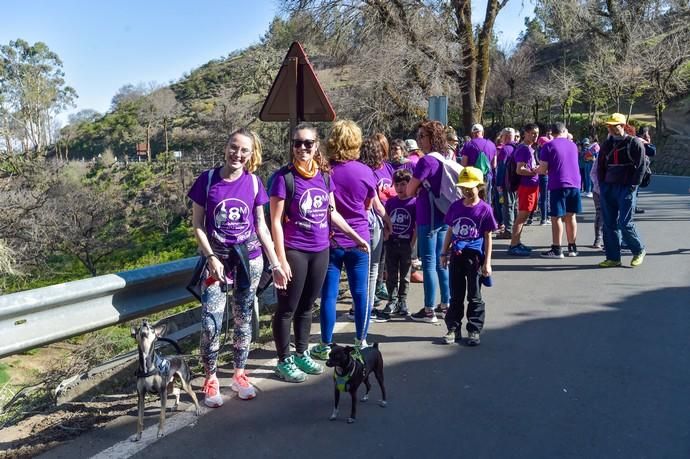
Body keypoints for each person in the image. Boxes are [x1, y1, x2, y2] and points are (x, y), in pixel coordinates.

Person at [188, 128, 287, 406]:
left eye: (244, 150)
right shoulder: (207, 181)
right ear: (226, 147)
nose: (238, 154)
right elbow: (197, 224)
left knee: (243, 320)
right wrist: (210, 258)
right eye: (234, 147)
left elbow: (261, 226)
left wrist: (276, 263)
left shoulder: (254, 183)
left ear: (251, 154)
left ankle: (240, 374)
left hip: (249, 259)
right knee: (211, 323)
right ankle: (211, 379)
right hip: (216, 260)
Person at [269, 124, 369, 382]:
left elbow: (332, 212)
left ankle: (301, 352)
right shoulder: (284, 178)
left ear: (316, 146)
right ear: (291, 145)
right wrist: (280, 260)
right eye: (297, 143)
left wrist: (356, 237)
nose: (303, 148)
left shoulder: (324, 176)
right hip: (295, 251)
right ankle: (284, 360)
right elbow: (275, 223)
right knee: (287, 307)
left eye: (308, 143)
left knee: (307, 307)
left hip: (321, 250)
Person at [316, 120, 378, 358]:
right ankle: (360, 340)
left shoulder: (324, 172)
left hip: (330, 240)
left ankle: (325, 344)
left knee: (329, 294)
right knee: (360, 292)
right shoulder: (365, 172)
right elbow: (368, 205)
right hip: (359, 239)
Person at [440, 167, 497, 346]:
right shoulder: (455, 207)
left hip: (475, 258)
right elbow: (450, 230)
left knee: (474, 295)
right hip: (457, 255)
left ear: (479, 186)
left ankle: (474, 330)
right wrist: (444, 252)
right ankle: (453, 328)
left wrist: (487, 263)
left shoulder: (484, 209)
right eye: (463, 187)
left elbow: (488, 237)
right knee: (456, 294)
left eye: (470, 187)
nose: (466, 191)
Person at [404, 120, 451, 322]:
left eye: (422, 136)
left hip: (428, 216)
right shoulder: (443, 158)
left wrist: (419, 187)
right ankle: (445, 304)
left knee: (429, 263)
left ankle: (429, 309)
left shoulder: (426, 161)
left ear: (431, 138)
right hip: (443, 213)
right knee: (442, 261)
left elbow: (408, 190)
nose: (419, 139)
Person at [596, 113, 646, 267]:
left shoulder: (635, 143)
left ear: (623, 125)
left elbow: (642, 166)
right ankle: (613, 258)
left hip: (626, 188)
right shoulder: (606, 144)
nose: (611, 128)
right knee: (609, 224)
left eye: (614, 125)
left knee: (625, 224)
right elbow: (600, 166)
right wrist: (602, 185)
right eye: (609, 125)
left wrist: (632, 186)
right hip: (608, 187)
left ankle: (638, 250)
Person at [358, 137, 393, 323]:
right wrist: (388, 221)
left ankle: (358, 307)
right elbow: (375, 204)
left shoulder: (348, 169)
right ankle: (366, 309)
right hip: (369, 224)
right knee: (372, 270)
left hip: (347, 228)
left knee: (357, 269)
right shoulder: (369, 174)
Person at [535, 122, 582, 259]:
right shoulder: (573, 145)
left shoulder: (548, 146)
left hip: (558, 183)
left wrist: (534, 170)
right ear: (564, 131)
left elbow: (543, 169)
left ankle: (557, 248)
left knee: (556, 217)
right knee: (571, 216)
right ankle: (572, 246)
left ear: (552, 132)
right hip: (574, 183)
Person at [382, 168, 416, 317]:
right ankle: (392, 299)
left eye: (403, 184)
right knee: (391, 273)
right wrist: (386, 236)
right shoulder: (391, 202)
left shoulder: (414, 203)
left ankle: (402, 300)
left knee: (405, 275)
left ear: (409, 185)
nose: (400, 188)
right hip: (392, 243)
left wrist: (412, 244)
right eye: (397, 185)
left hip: (406, 244)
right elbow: (385, 220)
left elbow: (416, 225)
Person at [507, 123, 540, 257]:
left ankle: (517, 242)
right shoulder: (524, 149)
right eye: (532, 133)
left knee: (524, 216)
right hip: (526, 186)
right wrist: (534, 171)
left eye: (537, 133)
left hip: (532, 186)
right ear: (525, 133)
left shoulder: (530, 148)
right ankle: (514, 245)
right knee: (522, 216)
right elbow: (519, 169)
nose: (535, 135)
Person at [459, 123, 498, 205]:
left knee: (473, 199)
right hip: (487, 177)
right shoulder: (492, 144)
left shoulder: (468, 145)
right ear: (482, 133)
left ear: (472, 133)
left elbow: (463, 164)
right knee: (487, 200)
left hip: (473, 178)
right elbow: (494, 165)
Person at [495, 128, 518, 240]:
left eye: (502, 136)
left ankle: (508, 231)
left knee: (506, 206)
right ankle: (516, 228)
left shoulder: (505, 150)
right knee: (514, 205)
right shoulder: (518, 148)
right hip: (518, 182)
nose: (501, 138)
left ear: (506, 136)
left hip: (507, 182)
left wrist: (499, 183)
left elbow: (501, 168)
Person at [634, 126, 656, 214]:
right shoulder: (640, 142)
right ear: (643, 135)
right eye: (647, 134)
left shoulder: (633, 140)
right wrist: (647, 142)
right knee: (634, 189)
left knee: (635, 189)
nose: (649, 136)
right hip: (636, 170)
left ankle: (633, 206)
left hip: (633, 169)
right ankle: (632, 207)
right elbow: (653, 151)